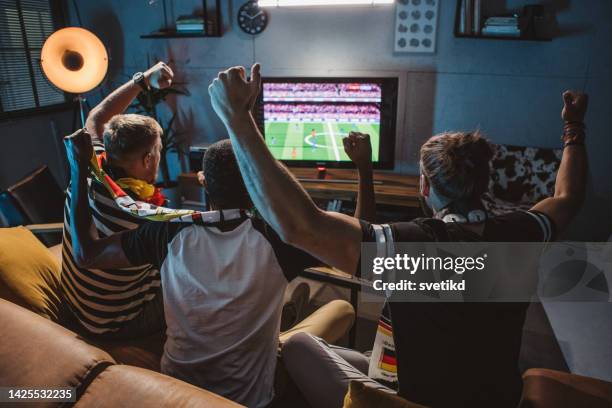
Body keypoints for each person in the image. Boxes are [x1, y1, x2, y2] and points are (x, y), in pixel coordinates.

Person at [207, 63, 588, 407]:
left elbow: (300, 226)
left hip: (407, 399)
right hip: (496, 396)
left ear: (424, 186)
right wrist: (574, 129)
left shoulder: (410, 248)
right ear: (482, 182)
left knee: (299, 346)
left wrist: (237, 118)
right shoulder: (523, 231)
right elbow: (567, 197)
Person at [63, 133, 354, 408]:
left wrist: (78, 170)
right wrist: (363, 168)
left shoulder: (165, 233)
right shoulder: (281, 239)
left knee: (290, 307)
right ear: (257, 186)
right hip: (252, 400)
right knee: (341, 309)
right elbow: (360, 245)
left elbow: (86, 255)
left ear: (204, 184)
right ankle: (287, 315)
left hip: (179, 390)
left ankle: (287, 313)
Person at [61, 61, 174, 338]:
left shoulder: (91, 169)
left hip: (74, 304)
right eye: (158, 153)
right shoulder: (145, 214)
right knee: (194, 283)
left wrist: (143, 79)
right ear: (148, 159)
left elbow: (97, 117)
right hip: (110, 323)